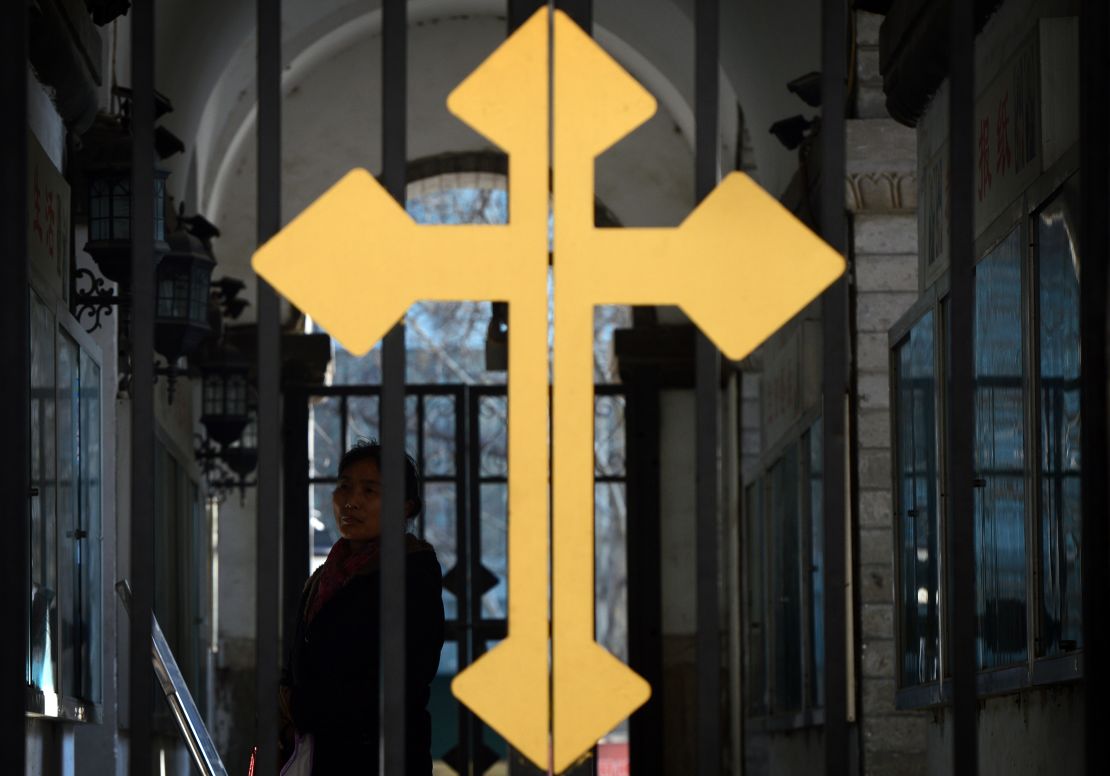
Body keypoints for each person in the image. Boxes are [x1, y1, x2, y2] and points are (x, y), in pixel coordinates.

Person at [280, 441, 445, 774]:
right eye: (344, 487)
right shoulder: (325, 578)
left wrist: (300, 707)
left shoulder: (412, 575)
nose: (351, 501)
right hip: (318, 755)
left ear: (405, 507)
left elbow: (396, 681)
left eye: (370, 490)